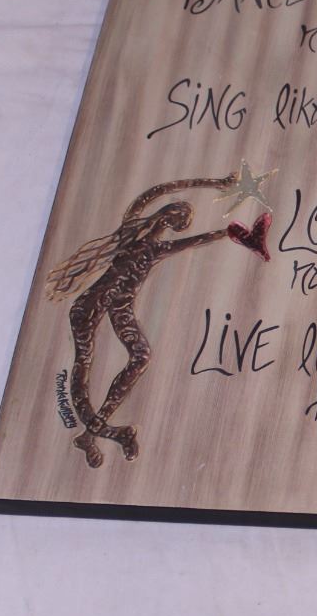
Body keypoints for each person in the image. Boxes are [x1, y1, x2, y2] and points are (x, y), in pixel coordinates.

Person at [44, 172, 267, 468]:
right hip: (92, 304)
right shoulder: (135, 231)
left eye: (181, 219)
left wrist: (229, 223)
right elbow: (162, 192)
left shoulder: (155, 244)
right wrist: (216, 185)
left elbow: (183, 220)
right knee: (83, 363)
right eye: (179, 217)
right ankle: (101, 434)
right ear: (168, 215)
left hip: (120, 307)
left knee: (140, 356)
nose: (178, 222)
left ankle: (95, 433)